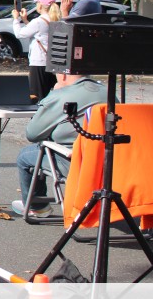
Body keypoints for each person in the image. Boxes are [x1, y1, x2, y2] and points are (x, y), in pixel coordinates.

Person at [10, 72, 105, 217]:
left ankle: (38, 207)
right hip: (110, 163)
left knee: (25, 155)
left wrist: (53, 93)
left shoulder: (61, 95)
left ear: (63, 75)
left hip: (75, 162)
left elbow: (32, 134)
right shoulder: (108, 93)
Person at [13, 0, 59, 103]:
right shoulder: (55, 19)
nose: (36, 5)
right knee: (48, 95)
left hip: (38, 63)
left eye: (37, 2)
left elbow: (20, 34)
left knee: (37, 96)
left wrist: (16, 19)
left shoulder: (38, 21)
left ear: (41, 5)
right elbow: (39, 32)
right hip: (51, 63)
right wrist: (25, 20)